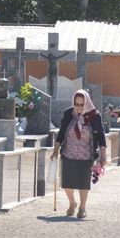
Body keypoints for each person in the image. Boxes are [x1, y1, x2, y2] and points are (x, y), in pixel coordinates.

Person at [50, 90, 107, 219]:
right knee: (67, 182)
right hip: (68, 153)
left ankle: (82, 207)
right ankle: (72, 203)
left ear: (87, 102)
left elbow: (101, 138)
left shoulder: (95, 116)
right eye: (76, 104)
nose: (79, 107)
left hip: (86, 155)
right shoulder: (69, 114)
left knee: (83, 183)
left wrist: (102, 157)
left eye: (82, 104)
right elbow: (61, 133)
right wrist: (55, 151)